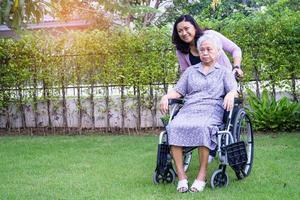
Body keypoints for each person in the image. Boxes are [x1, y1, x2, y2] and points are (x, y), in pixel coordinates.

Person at [160, 34, 237, 193]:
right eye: (202, 49)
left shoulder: (224, 72)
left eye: (209, 49)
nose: (205, 52)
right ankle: (182, 176)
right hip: (190, 108)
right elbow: (178, 91)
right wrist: (166, 96)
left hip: (212, 108)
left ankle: (202, 175)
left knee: (203, 128)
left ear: (218, 51)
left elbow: (234, 90)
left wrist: (230, 94)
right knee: (173, 126)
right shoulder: (190, 71)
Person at [172, 14, 243, 76]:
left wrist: (237, 67)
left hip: (225, 82)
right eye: (180, 31)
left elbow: (235, 49)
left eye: (186, 28)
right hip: (202, 88)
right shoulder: (181, 50)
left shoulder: (211, 35)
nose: (184, 33)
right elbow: (186, 72)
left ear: (195, 28)